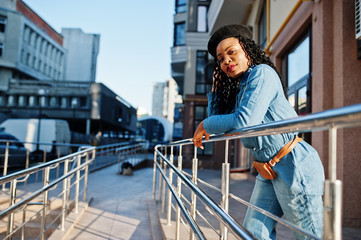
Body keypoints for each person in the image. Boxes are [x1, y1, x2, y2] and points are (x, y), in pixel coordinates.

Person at [192, 24, 324, 240]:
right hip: (268, 168)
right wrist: (216, 86)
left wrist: (205, 123)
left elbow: (243, 121)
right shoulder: (241, 87)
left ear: (248, 51)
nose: (226, 60)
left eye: (232, 52)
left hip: (293, 164)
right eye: (220, 58)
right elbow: (222, 126)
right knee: (254, 232)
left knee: (308, 236)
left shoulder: (262, 74)